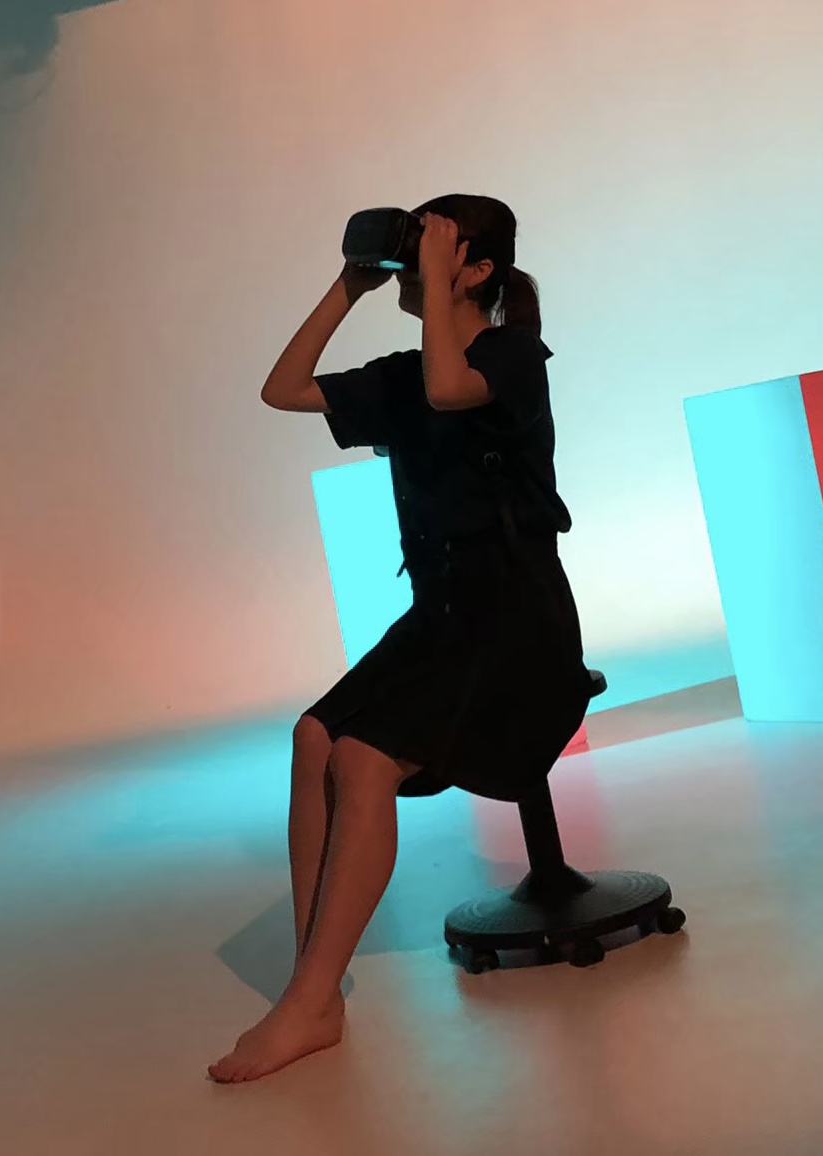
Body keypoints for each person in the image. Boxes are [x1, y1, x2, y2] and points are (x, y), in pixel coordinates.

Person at [210, 195, 592, 1083]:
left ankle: (309, 1001)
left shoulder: (510, 355)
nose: (417, 261)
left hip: (516, 624)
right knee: (315, 737)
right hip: (439, 618)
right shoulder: (403, 375)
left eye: (438, 246)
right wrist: (350, 285)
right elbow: (282, 389)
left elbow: (450, 390)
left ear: (479, 269)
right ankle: (314, 989)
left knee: (364, 758)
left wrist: (427, 281)